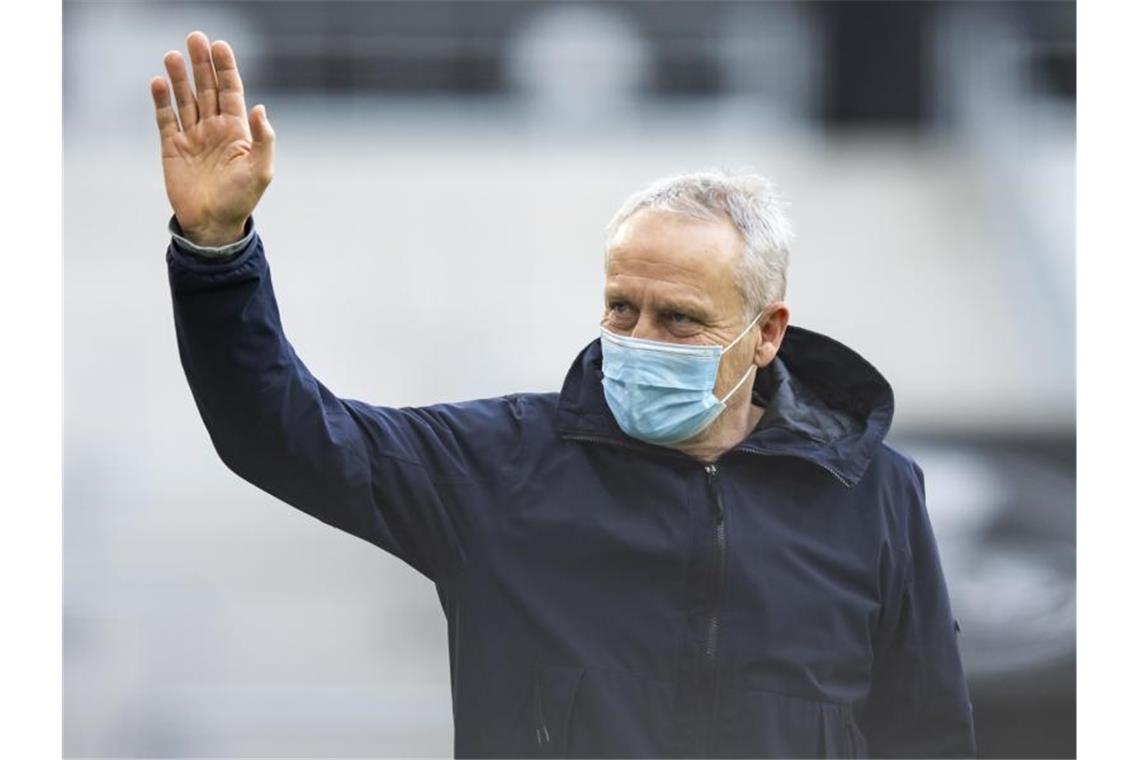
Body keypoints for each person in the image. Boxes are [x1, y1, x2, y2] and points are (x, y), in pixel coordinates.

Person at [151, 30, 977, 760]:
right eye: (623, 307)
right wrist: (216, 251)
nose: (639, 338)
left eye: (680, 319)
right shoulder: (498, 467)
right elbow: (277, 429)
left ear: (766, 334)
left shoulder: (872, 491)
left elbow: (929, 733)